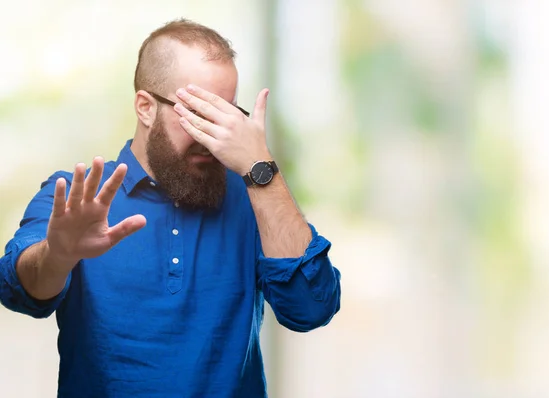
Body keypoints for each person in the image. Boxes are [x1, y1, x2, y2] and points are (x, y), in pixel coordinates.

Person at [0, 18, 341, 397]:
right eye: (197, 113)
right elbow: (18, 290)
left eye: (226, 116)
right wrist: (56, 256)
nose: (211, 137)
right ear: (146, 108)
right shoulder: (79, 198)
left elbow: (311, 308)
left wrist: (261, 169)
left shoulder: (255, 194)